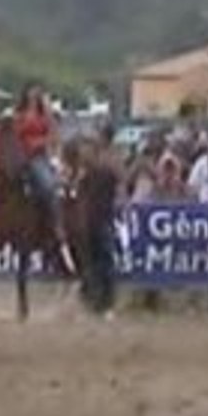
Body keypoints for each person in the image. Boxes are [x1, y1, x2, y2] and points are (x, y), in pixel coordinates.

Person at [77, 136, 120, 319]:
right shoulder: (87, 176)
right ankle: (95, 302)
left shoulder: (103, 174)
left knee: (103, 262)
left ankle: (105, 303)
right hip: (91, 224)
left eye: (88, 153)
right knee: (93, 264)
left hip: (101, 222)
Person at [14, 83, 64, 239]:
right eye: (32, 92)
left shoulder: (44, 115)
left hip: (39, 156)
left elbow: (53, 134)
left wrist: (41, 142)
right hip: (22, 156)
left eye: (37, 93)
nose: (34, 95)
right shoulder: (20, 114)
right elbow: (15, 134)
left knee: (50, 185)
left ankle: (55, 221)